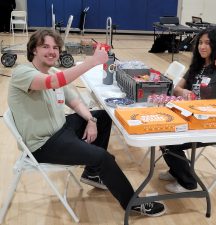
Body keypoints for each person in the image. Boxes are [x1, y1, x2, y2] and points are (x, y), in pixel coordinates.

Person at [7, 29, 165, 217]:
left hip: (62, 129)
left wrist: (91, 119)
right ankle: (132, 203)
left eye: (55, 47)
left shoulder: (54, 71)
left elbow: (74, 101)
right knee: (102, 157)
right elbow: (52, 82)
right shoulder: (22, 73)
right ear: (33, 50)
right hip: (43, 144)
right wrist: (92, 61)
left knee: (103, 116)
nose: (52, 51)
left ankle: (92, 173)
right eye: (45, 47)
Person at [159, 28, 216, 193]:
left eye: (207, 43)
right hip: (194, 119)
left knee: (168, 141)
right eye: (200, 42)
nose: (202, 46)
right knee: (162, 132)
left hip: (214, 124)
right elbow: (177, 88)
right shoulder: (197, 66)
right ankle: (176, 170)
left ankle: (189, 183)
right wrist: (183, 92)